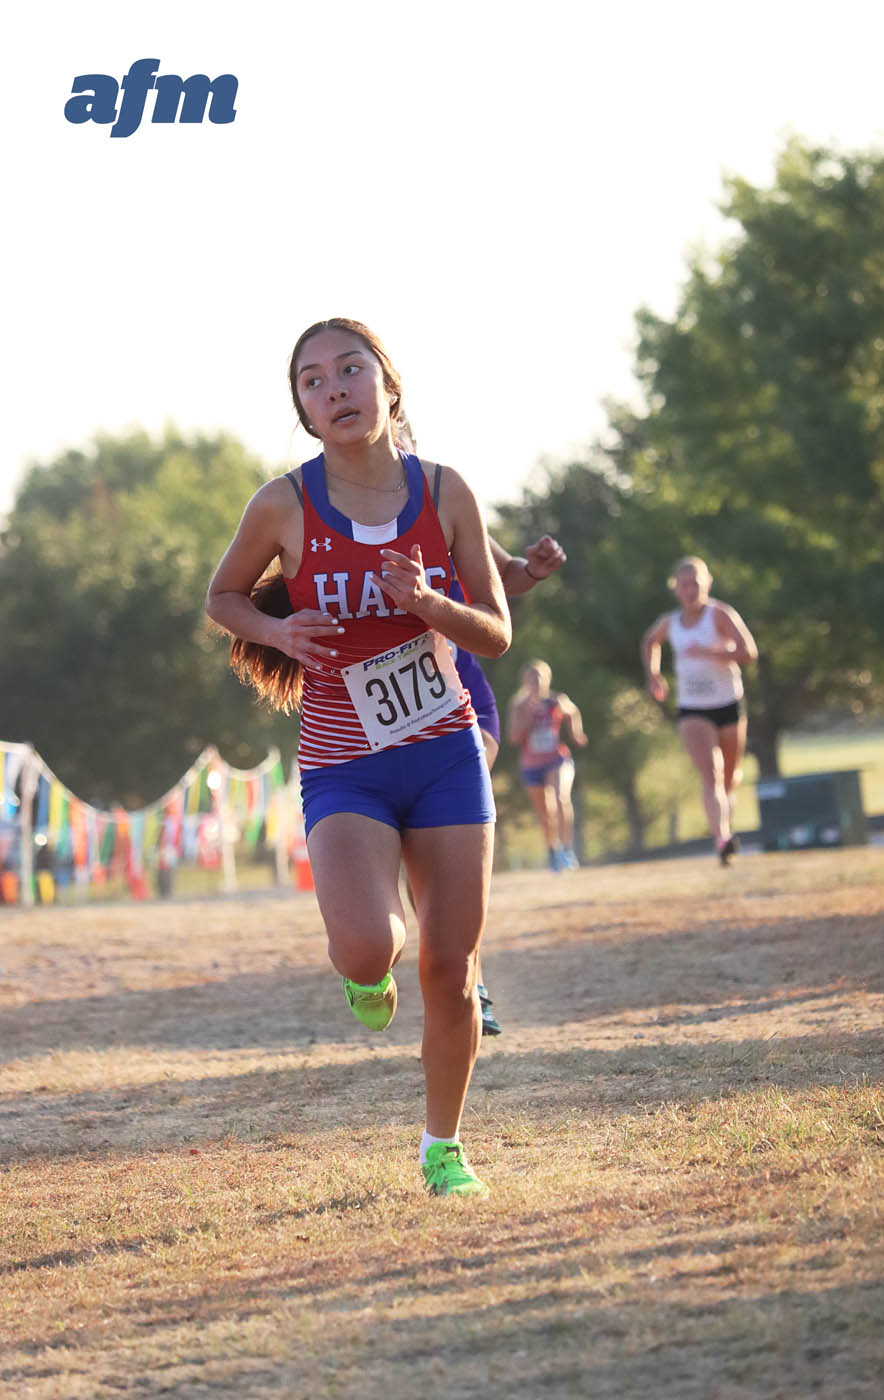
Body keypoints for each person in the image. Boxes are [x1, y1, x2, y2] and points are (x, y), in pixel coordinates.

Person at [206, 317, 512, 1198]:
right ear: (303, 410)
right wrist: (275, 629)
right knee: (364, 947)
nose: (334, 388)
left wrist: (431, 605)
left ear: (389, 386)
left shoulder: (446, 492)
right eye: (313, 380)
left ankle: (442, 1148)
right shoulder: (282, 504)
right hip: (346, 763)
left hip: (445, 750)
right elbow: (222, 596)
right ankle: (367, 977)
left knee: (450, 969)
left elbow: (493, 632)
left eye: (350, 370)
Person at [446, 533, 566, 1034]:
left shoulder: (441, 497)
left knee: (447, 846)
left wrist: (533, 569)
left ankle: (472, 979)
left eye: (403, 446)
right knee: (412, 852)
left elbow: (506, 575)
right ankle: (371, 949)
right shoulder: (328, 509)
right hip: (371, 719)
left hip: (465, 701)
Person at [640, 555, 758, 865]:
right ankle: (721, 840)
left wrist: (713, 652)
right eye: (684, 585)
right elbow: (650, 641)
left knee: (730, 777)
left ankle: (724, 829)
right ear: (676, 589)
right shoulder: (670, 622)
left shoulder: (719, 615)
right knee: (712, 774)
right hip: (692, 707)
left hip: (728, 703)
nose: (690, 590)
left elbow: (749, 652)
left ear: (706, 584)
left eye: (695, 584)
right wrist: (654, 675)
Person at [506, 660, 588, 871]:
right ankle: (553, 851)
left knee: (561, 799)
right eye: (531, 678)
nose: (536, 682)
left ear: (547, 680)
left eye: (539, 678)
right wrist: (529, 719)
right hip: (531, 765)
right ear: (524, 681)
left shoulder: (556, 701)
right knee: (545, 814)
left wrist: (576, 733)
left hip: (557, 759)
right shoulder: (518, 705)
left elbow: (574, 711)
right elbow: (513, 738)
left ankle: (567, 850)